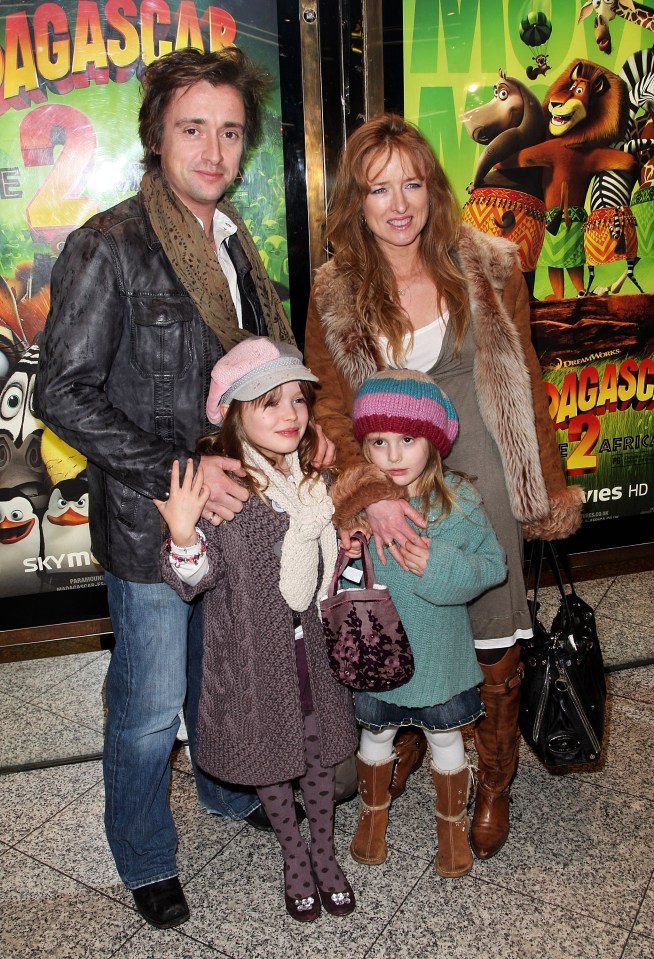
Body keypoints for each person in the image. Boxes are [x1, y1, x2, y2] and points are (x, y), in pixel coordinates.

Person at [35, 47, 331, 930]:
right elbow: (61, 392)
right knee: (149, 703)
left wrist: (296, 422)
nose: (213, 149)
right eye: (192, 128)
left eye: (230, 131)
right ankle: (143, 852)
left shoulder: (236, 243)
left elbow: (247, 375)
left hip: (246, 519)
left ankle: (224, 788)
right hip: (155, 521)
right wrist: (182, 473)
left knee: (226, 672)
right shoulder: (110, 243)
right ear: (156, 138)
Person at [304, 113, 583, 863]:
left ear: (435, 188)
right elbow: (328, 409)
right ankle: (417, 735)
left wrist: (547, 488)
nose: (400, 204)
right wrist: (367, 494)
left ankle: (494, 779)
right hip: (389, 484)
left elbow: (524, 381)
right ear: (355, 202)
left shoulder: (489, 264)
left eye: (414, 183)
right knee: (404, 628)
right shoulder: (334, 290)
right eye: (379, 187)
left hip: (480, 473)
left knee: (493, 642)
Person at [155, 337, 358, 922]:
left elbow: (320, 571)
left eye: (298, 400)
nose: (290, 415)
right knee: (269, 755)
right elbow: (191, 579)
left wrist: (341, 550)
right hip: (251, 658)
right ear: (233, 414)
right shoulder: (224, 489)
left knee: (317, 756)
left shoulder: (314, 481)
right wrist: (186, 535)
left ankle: (325, 851)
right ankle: (294, 856)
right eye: (269, 402)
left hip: (312, 655)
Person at [331, 369, 507, 877]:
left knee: (447, 739)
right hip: (375, 652)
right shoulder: (354, 505)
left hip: (440, 656)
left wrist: (439, 565)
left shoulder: (457, 500)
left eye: (407, 439)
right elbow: (330, 574)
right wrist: (346, 555)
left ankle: (451, 828)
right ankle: (373, 816)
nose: (392, 455)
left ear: (431, 440)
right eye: (378, 441)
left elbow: (491, 566)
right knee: (375, 736)